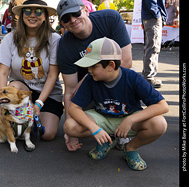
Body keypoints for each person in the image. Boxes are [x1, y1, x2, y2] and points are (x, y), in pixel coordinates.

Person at [63, 37, 168, 171]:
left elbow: (162, 106)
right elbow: (73, 108)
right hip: (102, 118)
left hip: (129, 118)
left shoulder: (133, 78)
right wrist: (94, 128)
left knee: (159, 124)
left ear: (111, 66)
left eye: (93, 66)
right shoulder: (91, 79)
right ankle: (107, 140)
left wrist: (131, 119)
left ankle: (130, 148)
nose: (89, 70)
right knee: (70, 126)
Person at [56, 0, 132, 151]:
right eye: (66, 18)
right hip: (90, 89)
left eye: (76, 13)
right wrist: (71, 133)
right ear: (62, 24)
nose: (73, 20)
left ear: (86, 10)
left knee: (126, 77)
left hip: (114, 77)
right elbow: (71, 90)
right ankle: (107, 131)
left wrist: (87, 77)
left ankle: (124, 127)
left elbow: (125, 62)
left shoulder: (110, 19)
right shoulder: (65, 45)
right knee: (71, 126)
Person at [0, 0, 63, 141]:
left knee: (47, 134)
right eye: (28, 10)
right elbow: (3, 73)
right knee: (15, 85)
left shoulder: (55, 39)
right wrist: (3, 101)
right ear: (22, 14)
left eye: (38, 11)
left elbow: (53, 75)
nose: (33, 15)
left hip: (49, 94)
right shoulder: (10, 38)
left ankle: (25, 120)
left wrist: (38, 104)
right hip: (23, 90)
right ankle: (12, 117)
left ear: (45, 15)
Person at [141, 0, 179, 88]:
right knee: (153, 48)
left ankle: (147, 76)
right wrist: (158, 15)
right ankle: (148, 77)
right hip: (152, 18)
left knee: (150, 47)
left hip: (149, 18)